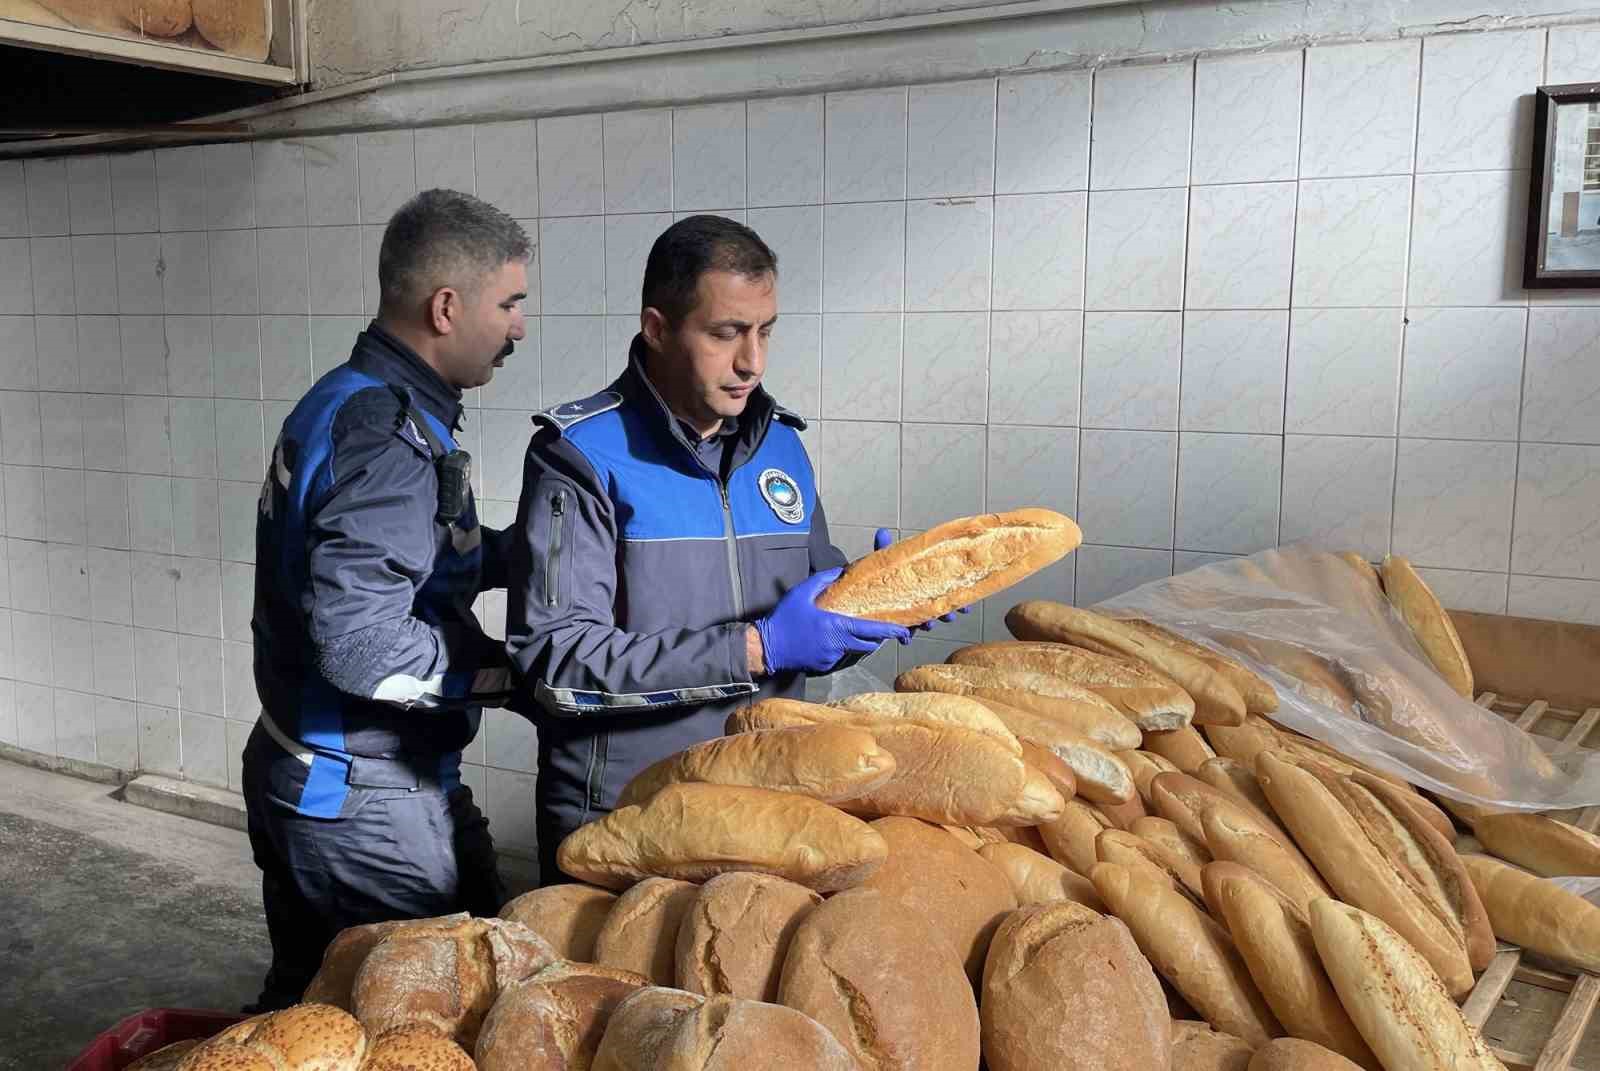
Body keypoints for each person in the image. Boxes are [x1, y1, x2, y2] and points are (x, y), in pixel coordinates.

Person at [506, 214, 958, 884]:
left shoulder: (780, 445)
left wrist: (872, 606)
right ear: (657, 328)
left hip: (771, 808)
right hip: (630, 821)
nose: (753, 360)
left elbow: (808, 614)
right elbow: (557, 662)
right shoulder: (579, 455)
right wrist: (757, 648)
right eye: (726, 333)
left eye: (765, 330)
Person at [240, 188, 530, 1010]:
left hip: (322, 771)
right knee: (412, 1023)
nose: (518, 326)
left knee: (308, 1009)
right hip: (358, 799)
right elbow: (364, 643)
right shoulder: (388, 436)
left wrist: (538, 552)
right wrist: (512, 679)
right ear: (447, 306)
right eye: (509, 302)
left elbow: (413, 558)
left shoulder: (349, 397)